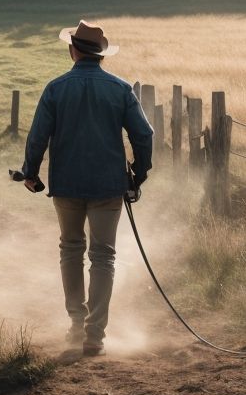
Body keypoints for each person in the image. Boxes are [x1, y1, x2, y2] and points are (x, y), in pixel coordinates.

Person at [21, 20, 153, 356]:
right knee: (103, 256)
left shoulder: (55, 88)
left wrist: (30, 173)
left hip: (66, 184)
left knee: (70, 250)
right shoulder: (121, 89)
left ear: (73, 51)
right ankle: (95, 334)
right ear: (101, 55)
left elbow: (38, 137)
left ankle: (76, 325)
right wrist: (138, 173)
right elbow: (144, 135)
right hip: (108, 186)